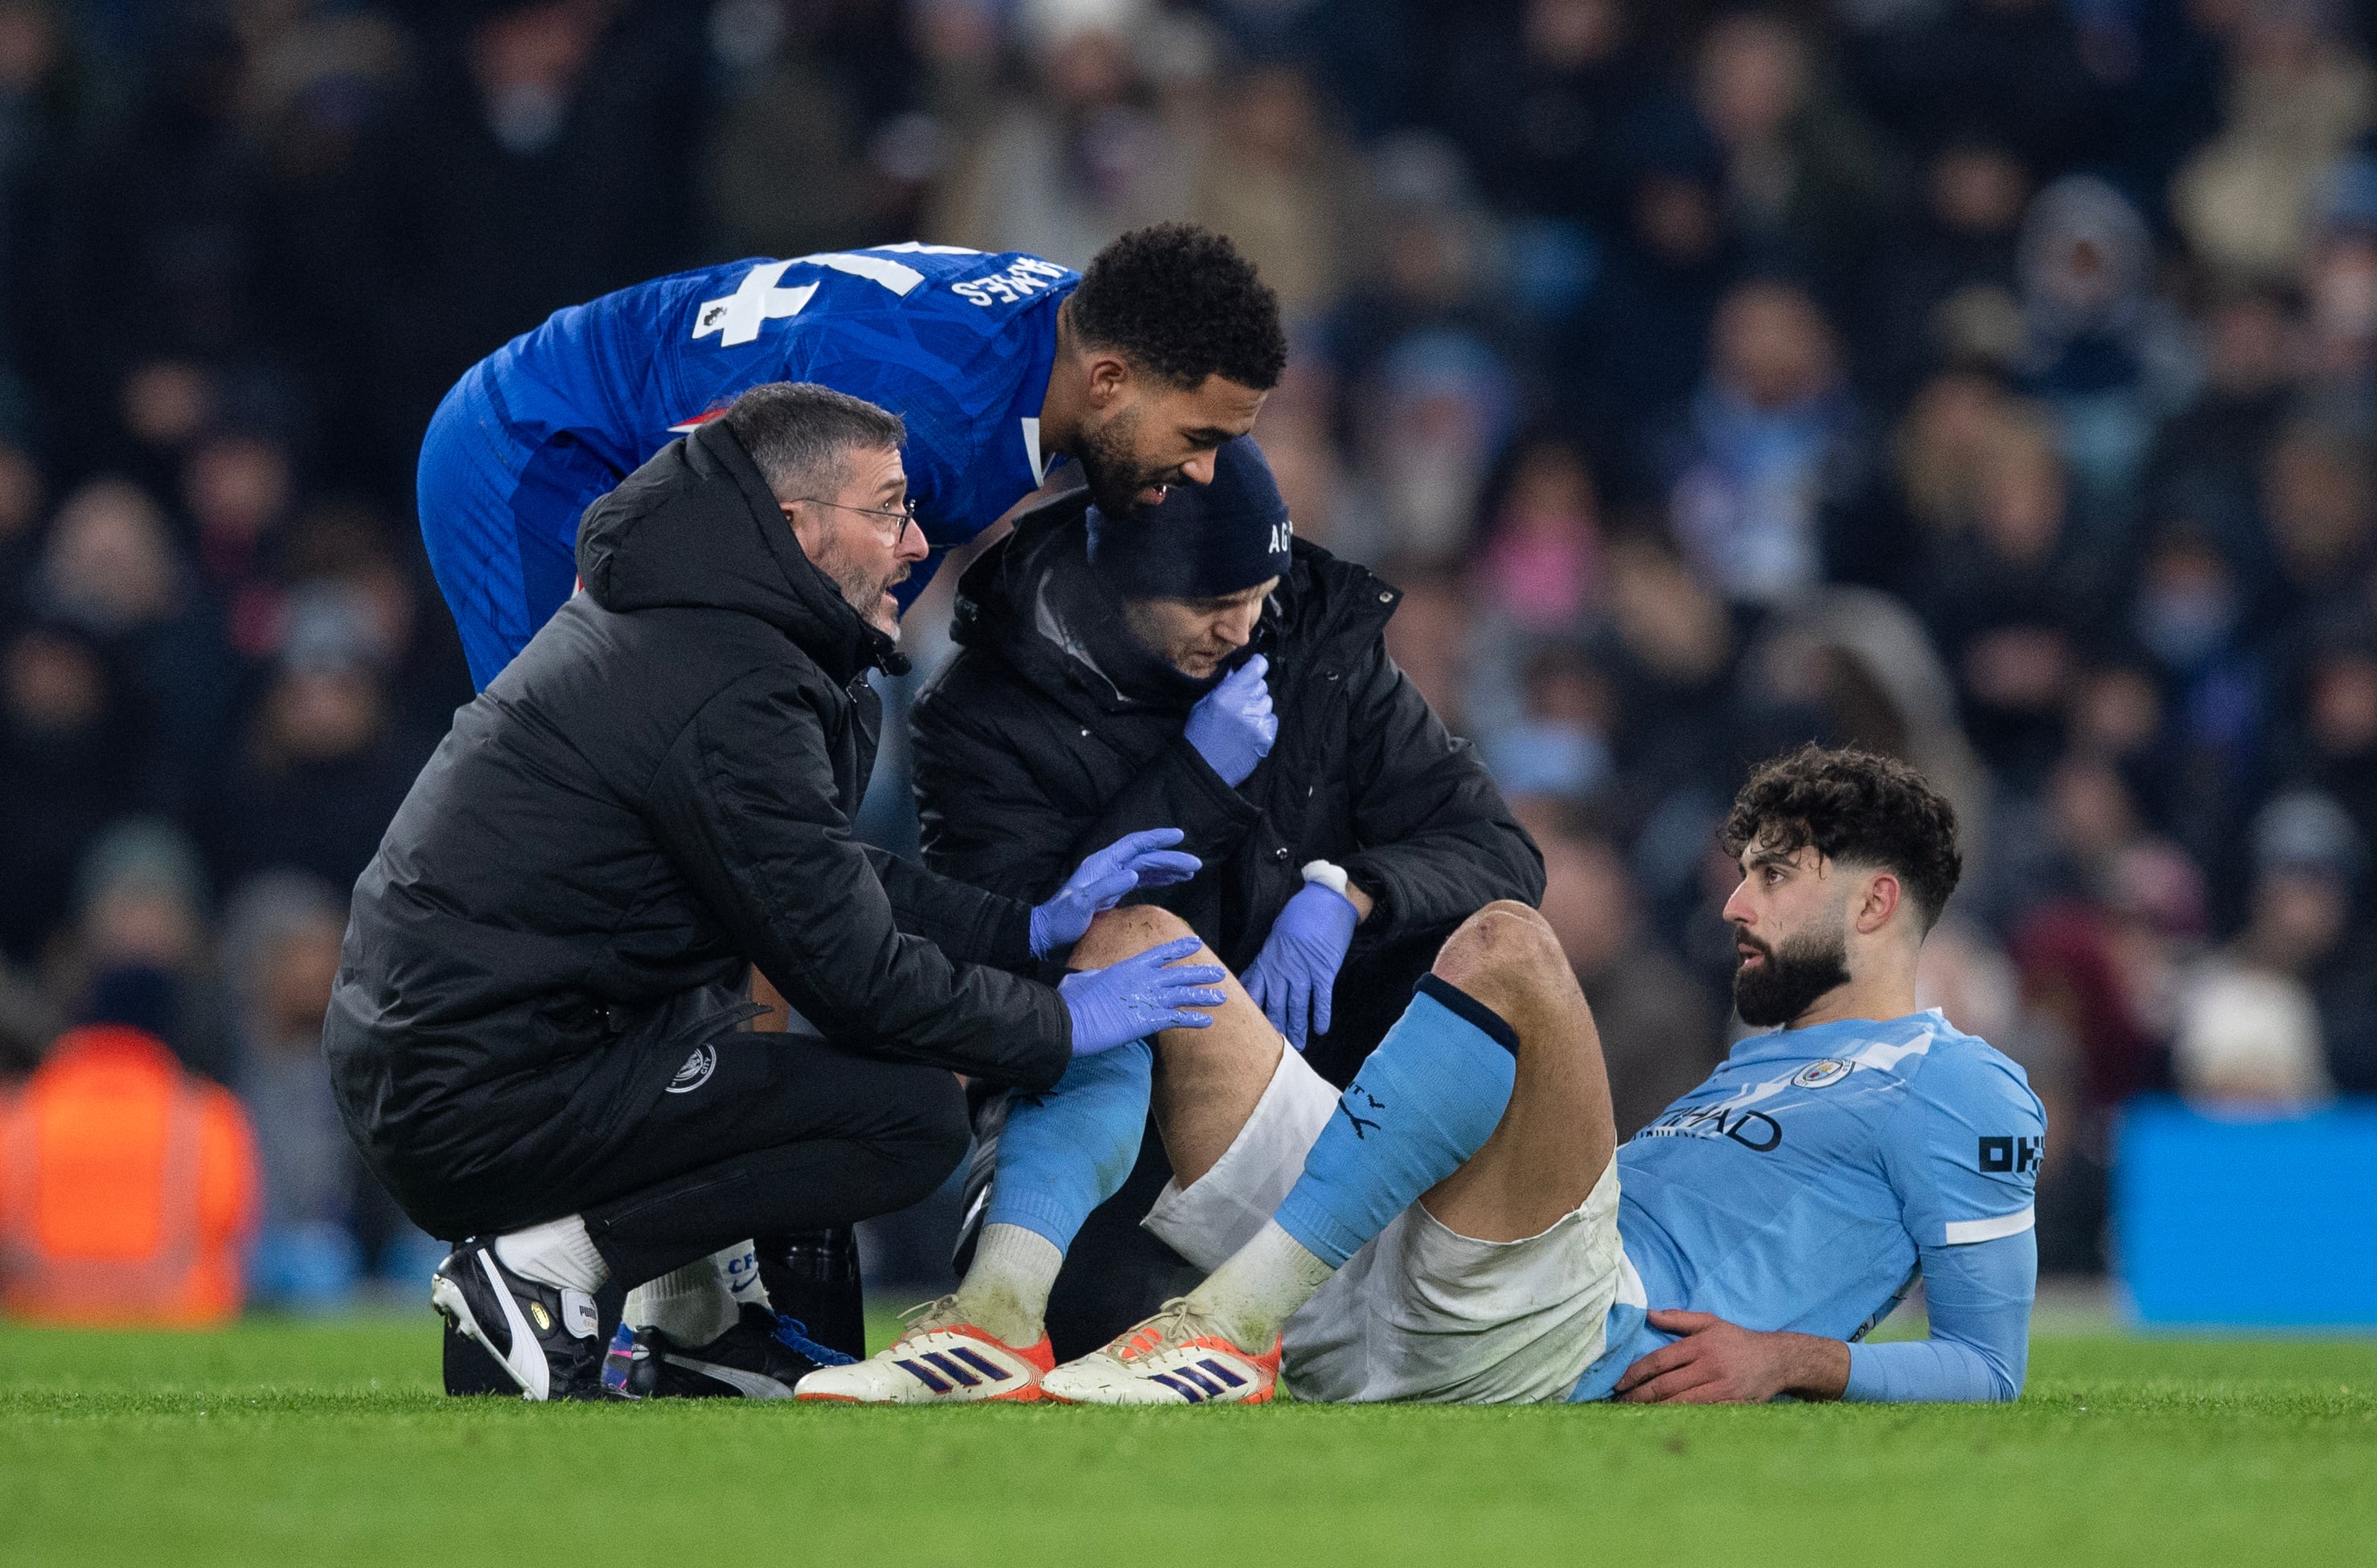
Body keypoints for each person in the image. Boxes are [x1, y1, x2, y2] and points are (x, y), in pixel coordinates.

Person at [326, 383, 1231, 1402]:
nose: (916, 542)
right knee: (904, 1119)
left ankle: (694, 1326)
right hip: (480, 1090)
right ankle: (545, 1268)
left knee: (743, 1013)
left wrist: (1023, 929)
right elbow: (855, 976)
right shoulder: (730, 676)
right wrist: (1058, 1023)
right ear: (797, 526)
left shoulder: (703, 624)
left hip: (468, 1059)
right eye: (887, 509)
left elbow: (808, 873)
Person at [796, 745, 2044, 1406]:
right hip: (1389, 1278)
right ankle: (998, 1317)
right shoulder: (1763, 1057)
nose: (1734, 902)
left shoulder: (1962, 1085)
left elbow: (1989, 1367)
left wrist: (1794, 1359)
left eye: (1775, 874)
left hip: (1561, 1328)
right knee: (1137, 942)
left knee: (1510, 942)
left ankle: (1230, 1325)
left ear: (1875, 902)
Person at [907, 435, 1540, 1353]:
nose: (1242, 628)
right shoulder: (979, 714)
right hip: (1116, 1104)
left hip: (1332, 1089)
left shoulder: (1318, 646)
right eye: (1210, 603)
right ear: (1122, 577)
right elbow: (1005, 944)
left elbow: (1499, 851)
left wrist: (1349, 893)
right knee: (1088, 1339)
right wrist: (1194, 781)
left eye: (1257, 593)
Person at [417, 222, 1285, 688]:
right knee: (574, 776)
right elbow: (746, 620)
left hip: (637, 424)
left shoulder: (1075, 328)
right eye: (1198, 440)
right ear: (1109, 382)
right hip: (537, 444)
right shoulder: (928, 424)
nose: (1202, 471)